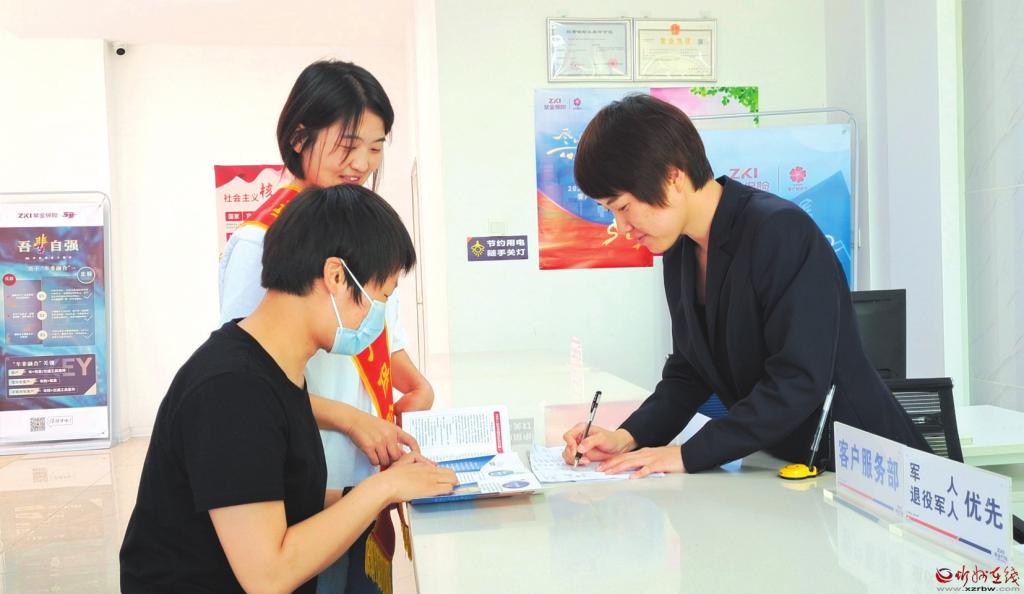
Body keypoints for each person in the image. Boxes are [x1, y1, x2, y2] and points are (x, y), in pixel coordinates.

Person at [561, 94, 929, 477]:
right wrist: (628, 436)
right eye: (610, 211)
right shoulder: (680, 251)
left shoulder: (779, 231)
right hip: (784, 464)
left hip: (866, 464)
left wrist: (686, 455)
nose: (620, 227)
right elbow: (690, 372)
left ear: (672, 176)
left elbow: (797, 380)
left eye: (622, 207)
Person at [120, 185, 457, 593]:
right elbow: (268, 575)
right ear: (336, 277)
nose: (378, 318)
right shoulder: (232, 389)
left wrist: (387, 491)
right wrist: (384, 487)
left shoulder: (275, 368)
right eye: (380, 296)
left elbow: (285, 498)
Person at [218, 60, 433, 592]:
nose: (362, 163)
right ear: (299, 137)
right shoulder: (259, 242)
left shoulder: (362, 230)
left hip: (368, 466)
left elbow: (382, 335)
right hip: (314, 475)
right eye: (348, 145)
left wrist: (416, 384)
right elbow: (248, 381)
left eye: (376, 148)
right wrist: (352, 420)